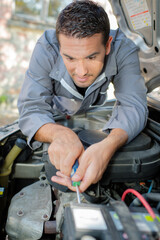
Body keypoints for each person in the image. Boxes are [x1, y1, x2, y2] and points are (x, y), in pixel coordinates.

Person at [18, 0, 148, 193]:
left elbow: (133, 106)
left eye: (91, 57)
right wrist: (60, 134)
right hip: (56, 110)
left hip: (95, 105)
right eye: (70, 58)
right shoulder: (46, 47)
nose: (81, 71)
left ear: (108, 45)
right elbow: (31, 108)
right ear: (59, 47)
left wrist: (108, 146)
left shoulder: (123, 49)